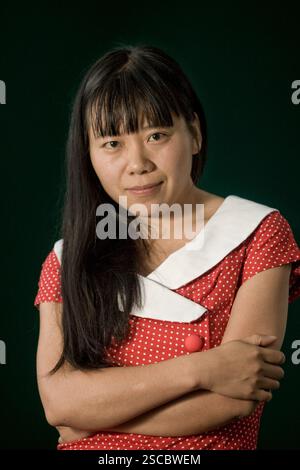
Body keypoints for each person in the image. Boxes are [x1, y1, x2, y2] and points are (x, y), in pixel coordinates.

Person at [33, 44, 300, 450]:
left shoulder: (259, 232)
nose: (137, 162)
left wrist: (89, 416)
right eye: (112, 143)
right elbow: (58, 403)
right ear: (87, 155)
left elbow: (236, 395)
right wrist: (203, 368)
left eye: (156, 135)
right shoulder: (66, 259)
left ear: (193, 133)